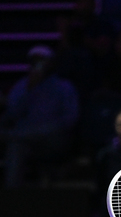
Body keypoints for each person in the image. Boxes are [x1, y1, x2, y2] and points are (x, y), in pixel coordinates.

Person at [0, 45, 79, 188]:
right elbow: (12, 114)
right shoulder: (22, 85)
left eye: (43, 60)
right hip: (26, 140)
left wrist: (46, 130)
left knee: (16, 136)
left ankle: (11, 136)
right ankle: (11, 199)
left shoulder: (64, 86)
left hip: (53, 140)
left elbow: (70, 119)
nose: (39, 65)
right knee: (15, 147)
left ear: (51, 63)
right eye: (35, 61)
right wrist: (29, 90)